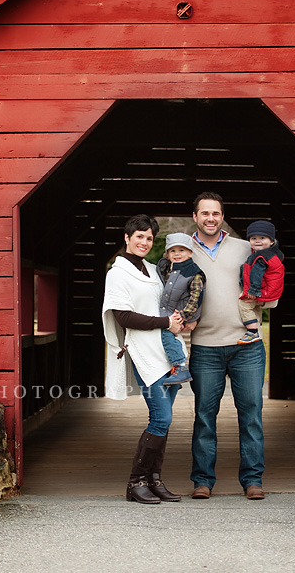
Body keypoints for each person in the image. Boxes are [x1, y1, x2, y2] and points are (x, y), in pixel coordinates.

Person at [187, 192, 267, 500]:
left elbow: (273, 275)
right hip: (205, 347)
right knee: (205, 416)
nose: (210, 218)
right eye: (204, 213)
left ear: (222, 216)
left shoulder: (246, 248)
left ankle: (253, 480)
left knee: (251, 415)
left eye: (216, 213)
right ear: (195, 216)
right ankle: (203, 480)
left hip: (247, 345)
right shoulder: (182, 250)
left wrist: (267, 299)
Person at [102, 214, 184, 504]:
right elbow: (123, 315)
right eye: (139, 236)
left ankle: (154, 480)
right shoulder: (117, 273)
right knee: (161, 417)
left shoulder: (152, 269)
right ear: (127, 237)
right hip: (142, 350)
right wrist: (164, 322)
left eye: (149, 238)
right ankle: (135, 482)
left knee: (164, 420)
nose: (144, 242)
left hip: (167, 350)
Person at [156, 232, 205, 386]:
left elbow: (196, 296)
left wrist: (184, 314)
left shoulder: (193, 272)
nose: (177, 254)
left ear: (190, 252)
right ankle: (174, 367)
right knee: (169, 339)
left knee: (167, 335)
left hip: (180, 314)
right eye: (173, 251)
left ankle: (180, 367)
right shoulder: (169, 269)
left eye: (181, 250)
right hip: (170, 312)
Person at [237, 220, 285, 345]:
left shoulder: (261, 257)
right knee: (253, 307)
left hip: (263, 292)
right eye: (253, 238)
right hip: (270, 291)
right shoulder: (273, 254)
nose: (257, 241)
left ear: (272, 241)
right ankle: (255, 326)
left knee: (244, 304)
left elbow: (257, 274)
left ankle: (252, 331)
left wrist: (253, 290)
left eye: (262, 238)